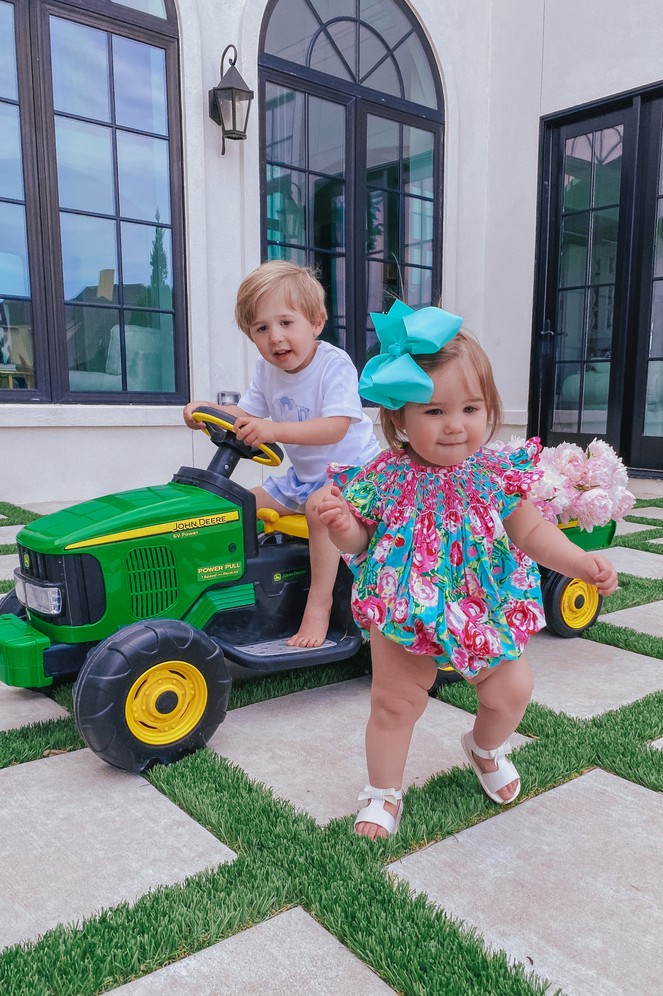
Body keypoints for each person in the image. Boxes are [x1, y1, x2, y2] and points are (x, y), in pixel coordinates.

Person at [318, 300, 618, 839]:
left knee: (512, 690)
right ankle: (384, 792)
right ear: (399, 420)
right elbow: (360, 539)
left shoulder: (495, 473)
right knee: (394, 702)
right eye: (434, 412)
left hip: (480, 603)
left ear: (489, 411)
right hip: (403, 602)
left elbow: (531, 532)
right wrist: (342, 526)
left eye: (470, 410)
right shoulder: (385, 476)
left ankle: (484, 747)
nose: (455, 426)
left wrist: (579, 562)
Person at [184, 260, 380, 648]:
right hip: (304, 479)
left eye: (286, 323)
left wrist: (272, 430)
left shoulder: (333, 365)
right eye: (261, 328)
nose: (275, 337)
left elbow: (335, 426)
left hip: (355, 476)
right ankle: (235, 595)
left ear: (316, 322)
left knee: (319, 510)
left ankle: (319, 604)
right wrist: (207, 411)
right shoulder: (266, 369)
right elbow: (248, 414)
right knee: (239, 506)